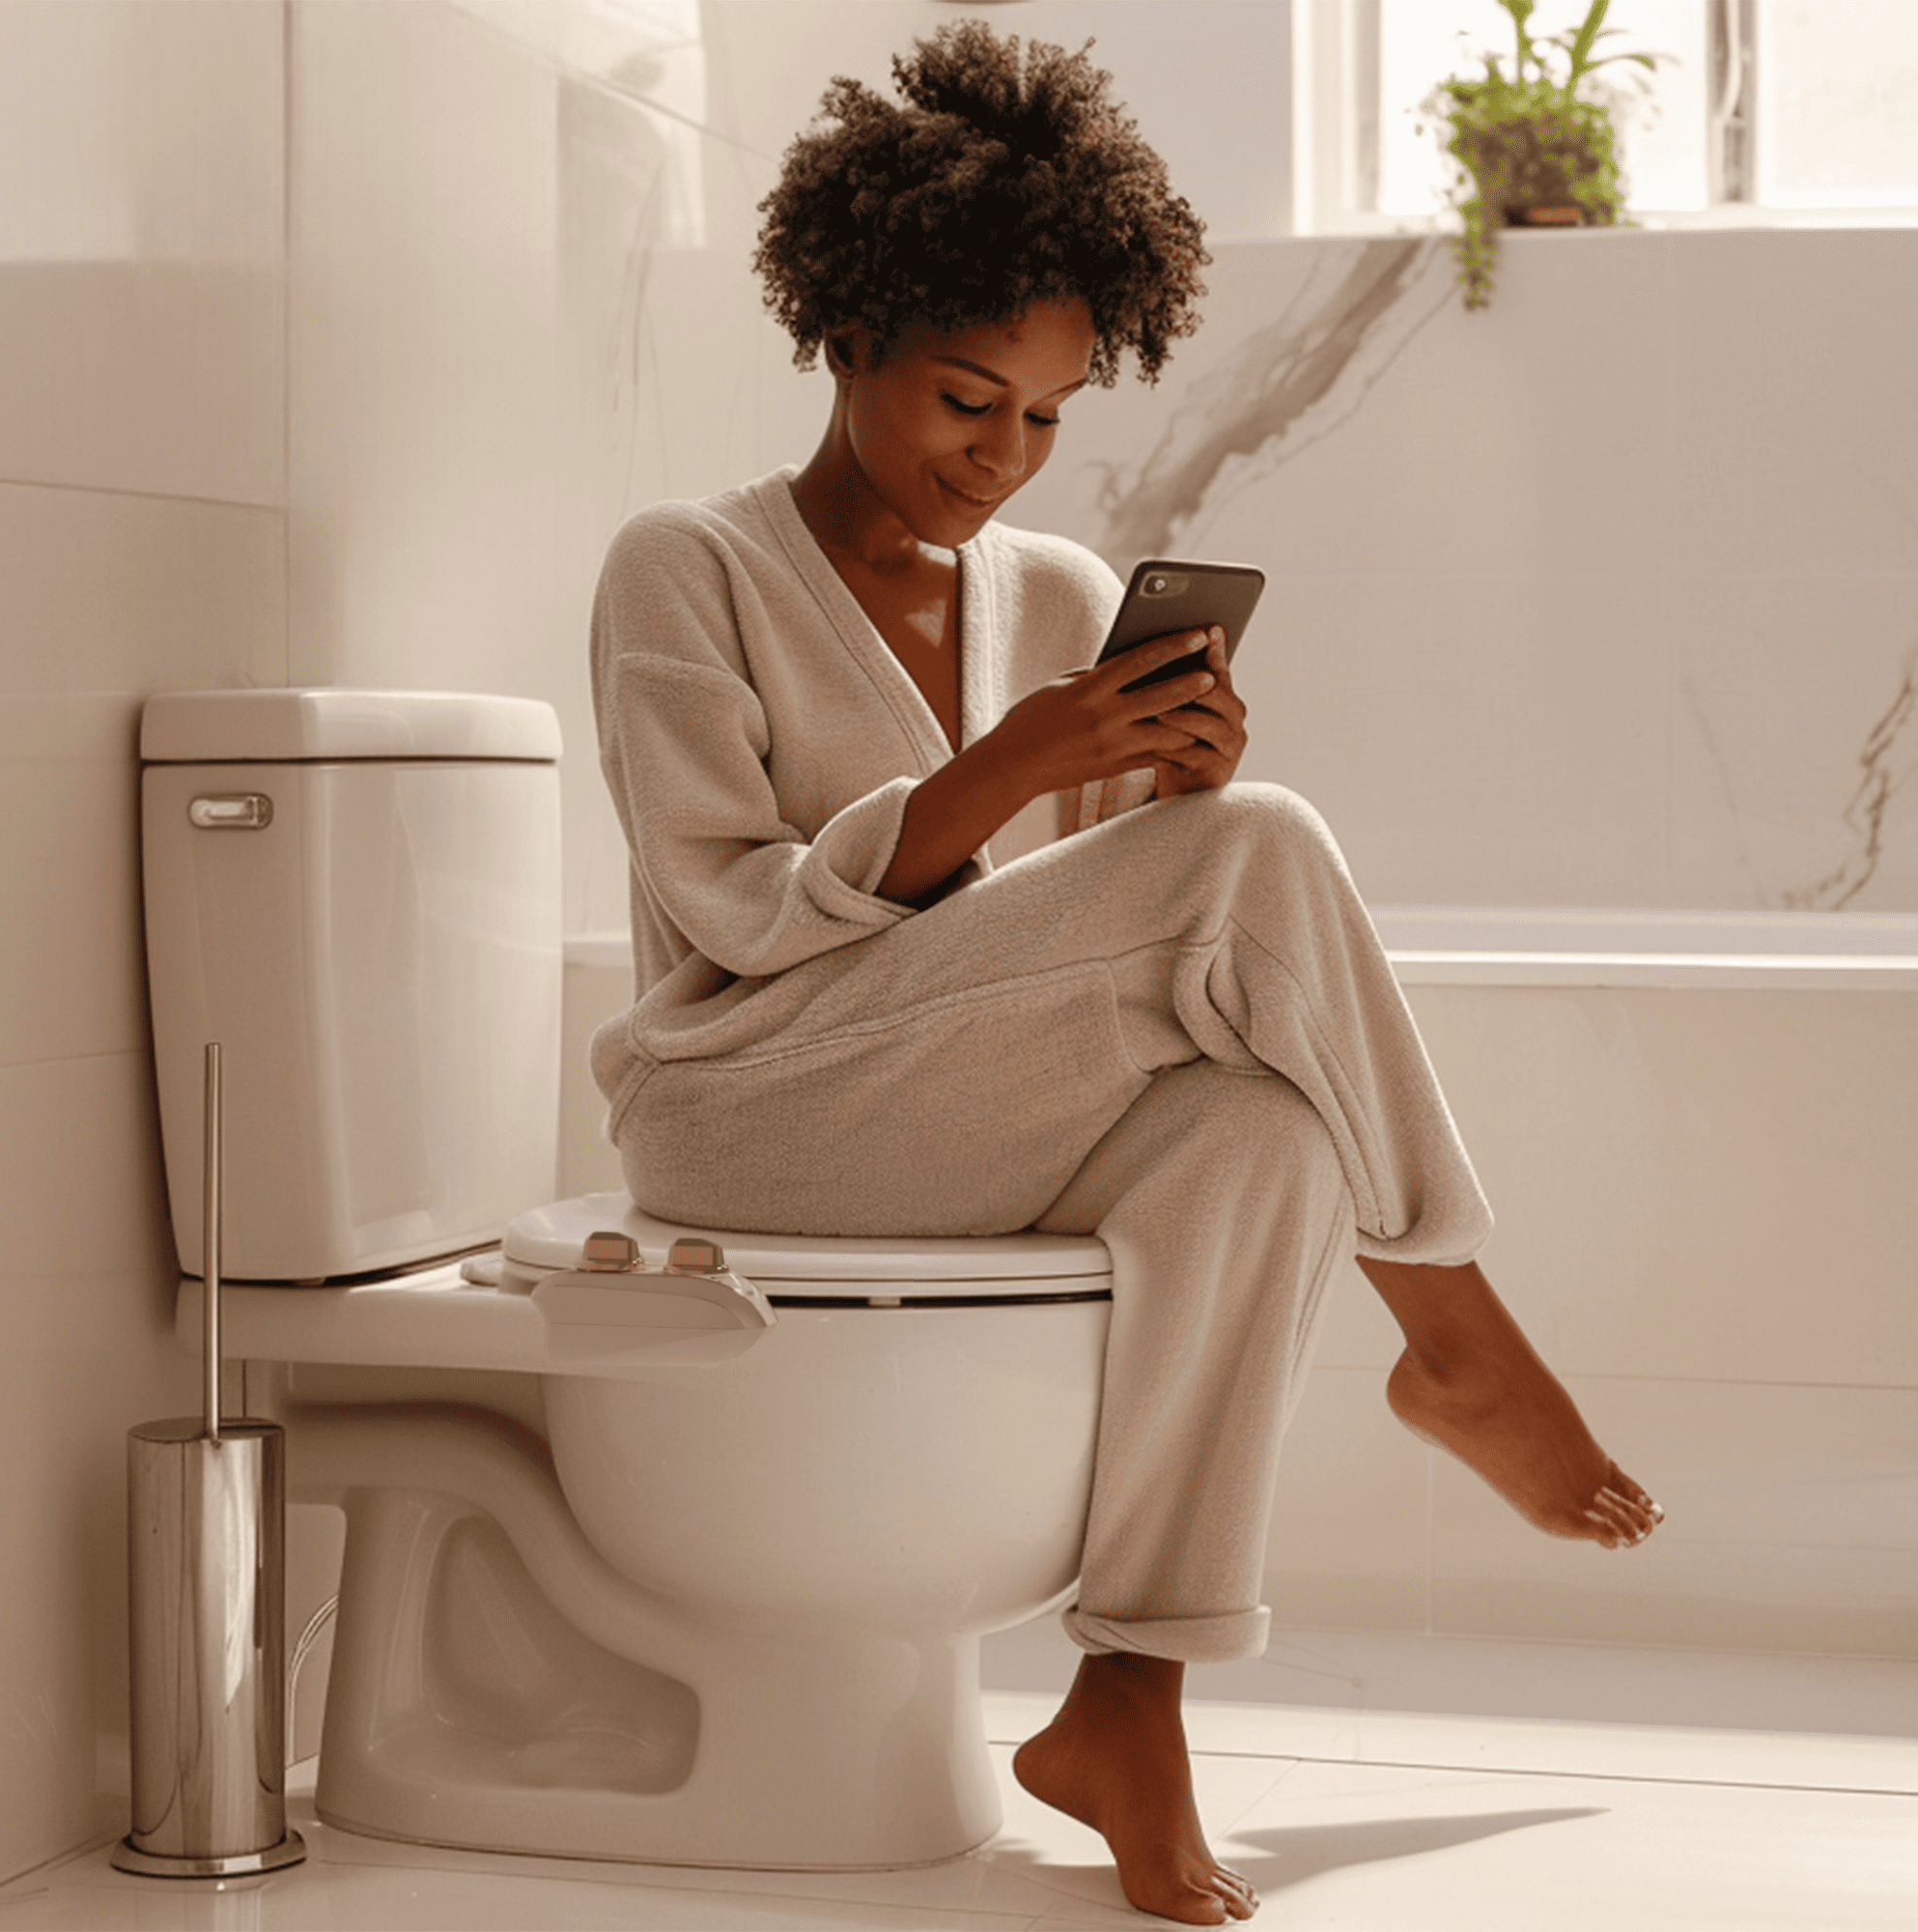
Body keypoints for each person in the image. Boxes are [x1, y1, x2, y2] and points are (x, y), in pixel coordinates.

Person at [586, 23, 1661, 1925]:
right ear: (841, 337)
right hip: (742, 1108)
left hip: (942, 1109)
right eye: (960, 398)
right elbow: (735, 911)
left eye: (1046, 419)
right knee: (1259, 869)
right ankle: (1460, 1339)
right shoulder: (685, 570)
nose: (1000, 459)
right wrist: (1029, 766)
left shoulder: (1063, 602)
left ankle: (1128, 1696)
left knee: (1258, 1128)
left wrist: (1156, 793)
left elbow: (1078, 976)